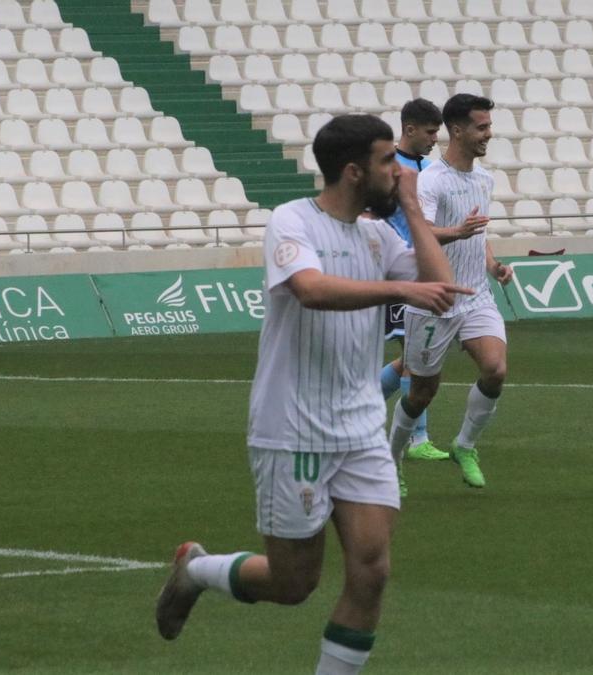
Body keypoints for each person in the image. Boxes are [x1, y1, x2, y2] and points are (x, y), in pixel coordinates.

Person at [155, 114, 471, 675]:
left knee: (371, 571)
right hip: (293, 427)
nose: (397, 170)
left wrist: (416, 213)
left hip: (360, 429)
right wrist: (400, 287)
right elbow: (310, 289)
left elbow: (439, 287)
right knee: (293, 582)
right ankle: (196, 570)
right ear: (353, 172)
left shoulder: (377, 233)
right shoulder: (291, 220)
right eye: (385, 161)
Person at [387, 93, 512, 490]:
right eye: (482, 127)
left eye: (489, 126)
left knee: (495, 369)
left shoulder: (484, 179)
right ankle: (390, 461)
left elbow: (479, 233)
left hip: (475, 294)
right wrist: (455, 233)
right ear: (457, 130)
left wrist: (492, 264)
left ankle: (465, 445)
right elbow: (420, 231)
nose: (488, 134)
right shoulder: (431, 181)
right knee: (422, 392)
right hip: (435, 297)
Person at [377, 99, 450, 488]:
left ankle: (362, 406)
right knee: (415, 357)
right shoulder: (390, 168)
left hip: (427, 271)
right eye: (429, 132)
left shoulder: (433, 170)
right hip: (402, 271)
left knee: (410, 356)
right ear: (409, 130)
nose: (434, 139)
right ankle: (417, 438)